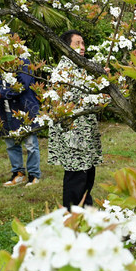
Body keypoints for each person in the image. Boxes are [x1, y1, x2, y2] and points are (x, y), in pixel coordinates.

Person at [49, 30, 104, 209]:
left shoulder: (80, 67)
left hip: (85, 131)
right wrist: (95, 84)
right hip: (73, 132)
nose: (82, 47)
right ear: (66, 47)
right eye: (77, 43)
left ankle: (84, 210)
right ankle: (73, 216)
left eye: (83, 43)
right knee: (77, 176)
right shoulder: (64, 70)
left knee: (87, 173)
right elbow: (71, 98)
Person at [0, 59, 41, 187]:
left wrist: (1, 94)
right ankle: (18, 174)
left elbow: (22, 85)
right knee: (11, 143)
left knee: (30, 144)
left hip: (25, 109)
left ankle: (34, 175)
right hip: (6, 110)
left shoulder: (23, 62)